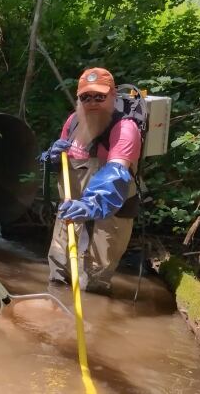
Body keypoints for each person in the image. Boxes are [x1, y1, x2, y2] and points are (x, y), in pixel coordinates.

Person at [40, 67, 142, 294]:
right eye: (86, 97)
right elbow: (66, 164)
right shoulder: (73, 122)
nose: (92, 102)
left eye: (100, 96)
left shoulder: (125, 129)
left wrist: (90, 205)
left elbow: (116, 174)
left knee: (92, 282)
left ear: (113, 96)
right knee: (58, 272)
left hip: (108, 216)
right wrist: (52, 158)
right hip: (70, 209)